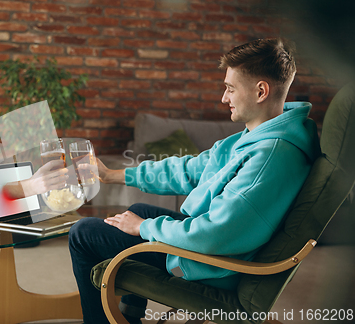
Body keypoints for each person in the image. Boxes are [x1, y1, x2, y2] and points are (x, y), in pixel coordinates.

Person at [68, 38, 321, 324]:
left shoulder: (269, 156)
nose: (224, 98)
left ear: (261, 91)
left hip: (216, 267)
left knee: (83, 233)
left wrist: (144, 228)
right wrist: (112, 175)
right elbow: (188, 169)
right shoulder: (259, 136)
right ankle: (131, 315)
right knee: (139, 209)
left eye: (230, 88)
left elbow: (215, 234)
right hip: (212, 250)